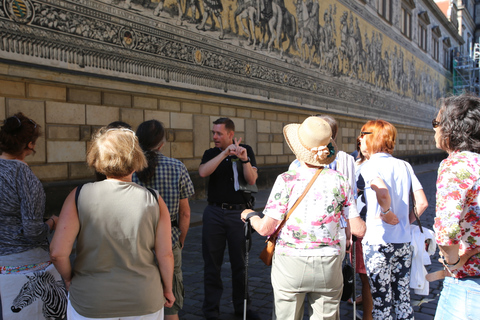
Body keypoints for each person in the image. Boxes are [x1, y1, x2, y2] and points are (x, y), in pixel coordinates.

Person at [241, 116, 366, 320]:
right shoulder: (340, 181)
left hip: (290, 263)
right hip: (329, 263)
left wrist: (250, 215)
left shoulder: (286, 179)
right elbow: (359, 229)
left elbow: (265, 228)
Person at [50, 127, 174, 320]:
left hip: (90, 300)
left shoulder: (79, 195)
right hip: (143, 298)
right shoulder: (154, 200)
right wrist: (168, 288)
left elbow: (58, 253)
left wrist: (68, 279)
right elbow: (165, 254)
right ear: (135, 159)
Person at [358, 120, 428, 320]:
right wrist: (405, 221)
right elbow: (422, 203)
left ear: (372, 138)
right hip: (403, 242)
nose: (360, 139)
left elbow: (381, 189)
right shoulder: (404, 165)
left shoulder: (370, 165)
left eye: (363, 135)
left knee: (381, 302)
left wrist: (387, 212)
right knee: (403, 299)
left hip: (378, 243)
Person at [0, 113, 66, 320]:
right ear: (30, 144)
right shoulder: (26, 178)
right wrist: (52, 223)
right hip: (25, 264)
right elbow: (32, 231)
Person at [132, 120, 195, 320]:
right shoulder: (177, 166)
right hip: (169, 240)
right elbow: (185, 213)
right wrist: (181, 239)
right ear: (162, 143)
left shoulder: (129, 169)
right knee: (171, 305)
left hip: (137, 243)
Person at [198, 117, 260, 320]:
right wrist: (224, 153)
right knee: (212, 265)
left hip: (238, 214)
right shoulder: (210, 153)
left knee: (240, 264)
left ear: (230, 134)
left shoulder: (247, 150)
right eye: (213, 133)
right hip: (214, 213)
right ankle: (211, 311)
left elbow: (251, 179)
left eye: (219, 134)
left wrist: (243, 159)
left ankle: (243, 308)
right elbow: (202, 172)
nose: (215, 137)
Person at [431, 94, 480, 320]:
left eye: (437, 123)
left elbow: (445, 230)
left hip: (468, 284)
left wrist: (453, 261)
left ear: (451, 128)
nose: (434, 129)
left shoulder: (455, 165)